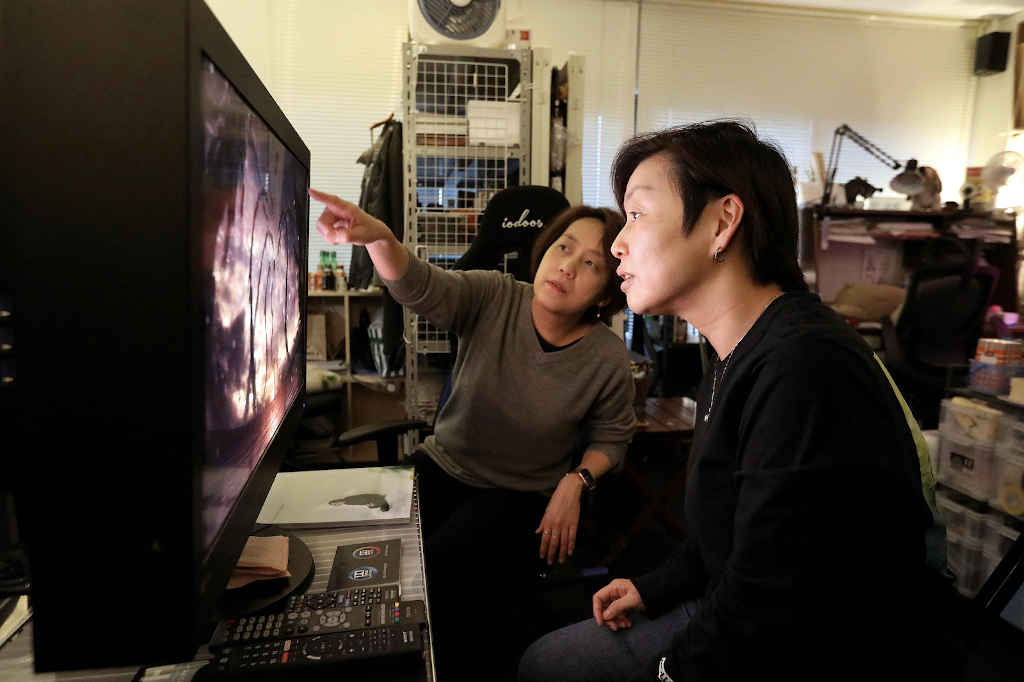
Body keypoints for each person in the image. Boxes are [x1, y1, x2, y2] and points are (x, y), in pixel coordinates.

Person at [518, 121, 955, 682]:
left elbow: (771, 604)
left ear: (723, 222)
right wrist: (655, 587)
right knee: (545, 662)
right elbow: (730, 532)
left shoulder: (805, 366)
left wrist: (668, 672)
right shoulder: (736, 352)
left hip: (826, 647)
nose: (617, 244)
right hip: (744, 612)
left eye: (638, 214)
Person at [308, 188, 636, 678]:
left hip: (518, 494)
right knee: (367, 556)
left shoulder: (607, 357)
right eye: (564, 247)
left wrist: (576, 481)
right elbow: (419, 285)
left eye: (591, 263)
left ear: (607, 293)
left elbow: (613, 437)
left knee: (437, 572)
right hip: (443, 465)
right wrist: (378, 238)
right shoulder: (495, 295)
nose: (567, 266)